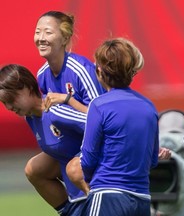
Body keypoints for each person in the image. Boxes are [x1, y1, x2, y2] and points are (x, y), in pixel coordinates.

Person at [24, 10, 106, 210]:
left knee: (75, 170)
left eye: (48, 32)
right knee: (34, 169)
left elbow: (104, 119)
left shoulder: (81, 69)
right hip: (72, 144)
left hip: (99, 146)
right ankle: (71, 212)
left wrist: (68, 99)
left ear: (65, 38)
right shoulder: (42, 75)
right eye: (37, 32)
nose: (41, 38)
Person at [75, 37, 159, 215]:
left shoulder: (99, 105)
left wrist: (90, 179)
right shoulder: (148, 106)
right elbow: (152, 159)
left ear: (100, 71)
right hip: (142, 198)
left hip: (107, 194)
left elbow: (88, 157)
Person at [0, 64, 88, 215]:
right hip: (76, 193)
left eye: (10, 99)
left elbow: (99, 125)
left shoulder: (55, 110)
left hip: (94, 185)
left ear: (27, 87)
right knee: (33, 169)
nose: (8, 106)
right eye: (4, 103)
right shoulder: (31, 117)